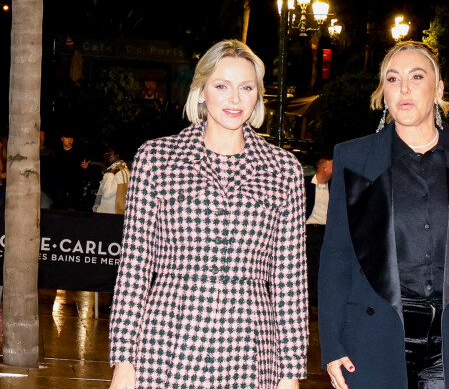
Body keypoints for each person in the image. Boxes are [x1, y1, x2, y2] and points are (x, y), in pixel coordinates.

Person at [108, 40, 309, 389]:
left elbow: (289, 281)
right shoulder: (157, 159)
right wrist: (124, 361)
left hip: (251, 350)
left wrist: (290, 374)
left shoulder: (283, 169)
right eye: (222, 86)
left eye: (246, 88)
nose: (234, 99)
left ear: (258, 96)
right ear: (201, 92)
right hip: (165, 344)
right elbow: (134, 268)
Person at [319, 41, 449, 389]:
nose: (404, 89)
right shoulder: (353, 158)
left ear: (438, 89)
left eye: (416, 76)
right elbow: (336, 257)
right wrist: (332, 345)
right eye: (393, 80)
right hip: (374, 334)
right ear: (384, 93)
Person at [305, 152, 333, 309]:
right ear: (324, 167)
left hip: (326, 233)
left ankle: (319, 300)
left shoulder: (335, 188)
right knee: (309, 267)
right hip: (309, 232)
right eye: (332, 164)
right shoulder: (306, 185)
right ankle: (307, 301)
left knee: (324, 267)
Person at [52, 131, 90, 210]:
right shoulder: (56, 152)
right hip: (60, 187)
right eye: (67, 138)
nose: (70, 140)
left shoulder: (79, 153)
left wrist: (86, 167)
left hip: (75, 187)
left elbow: (84, 171)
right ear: (62, 138)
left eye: (71, 138)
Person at [92, 146, 130, 215]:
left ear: (117, 155)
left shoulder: (121, 171)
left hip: (111, 216)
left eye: (109, 155)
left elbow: (107, 194)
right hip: (105, 214)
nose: (106, 157)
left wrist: (110, 173)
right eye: (105, 155)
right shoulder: (112, 169)